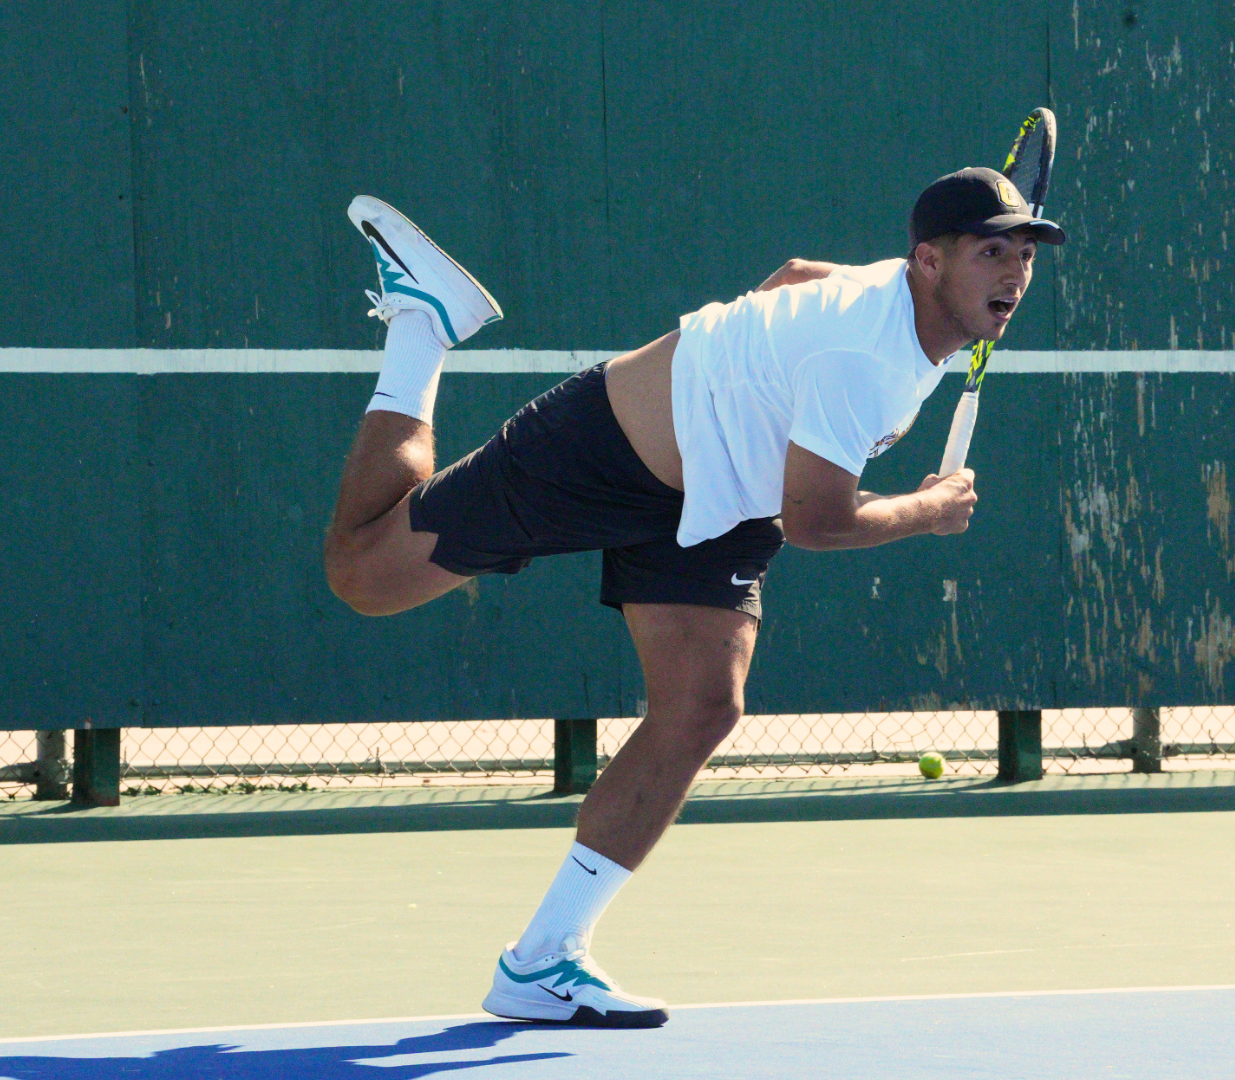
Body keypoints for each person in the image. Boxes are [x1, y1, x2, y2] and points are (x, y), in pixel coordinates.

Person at [322, 167, 1064, 1028]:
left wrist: (741, 367)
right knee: (363, 578)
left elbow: (793, 273)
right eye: (991, 252)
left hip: (718, 500)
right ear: (929, 262)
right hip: (606, 449)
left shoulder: (902, 298)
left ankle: (542, 962)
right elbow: (819, 520)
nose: (1013, 274)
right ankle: (423, 325)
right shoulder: (862, 354)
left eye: (1024, 255)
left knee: (704, 704)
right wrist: (930, 510)